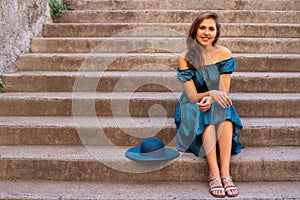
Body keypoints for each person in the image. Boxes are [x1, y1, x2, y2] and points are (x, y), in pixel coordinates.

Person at [174, 11, 244, 198]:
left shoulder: (224, 53)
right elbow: (191, 95)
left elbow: (223, 90)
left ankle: (225, 174)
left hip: (216, 100)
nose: (206, 32)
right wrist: (210, 94)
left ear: (216, 33)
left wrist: (213, 96)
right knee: (207, 111)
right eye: (202, 27)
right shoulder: (185, 57)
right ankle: (214, 174)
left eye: (211, 28)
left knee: (224, 108)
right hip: (191, 105)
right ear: (195, 31)